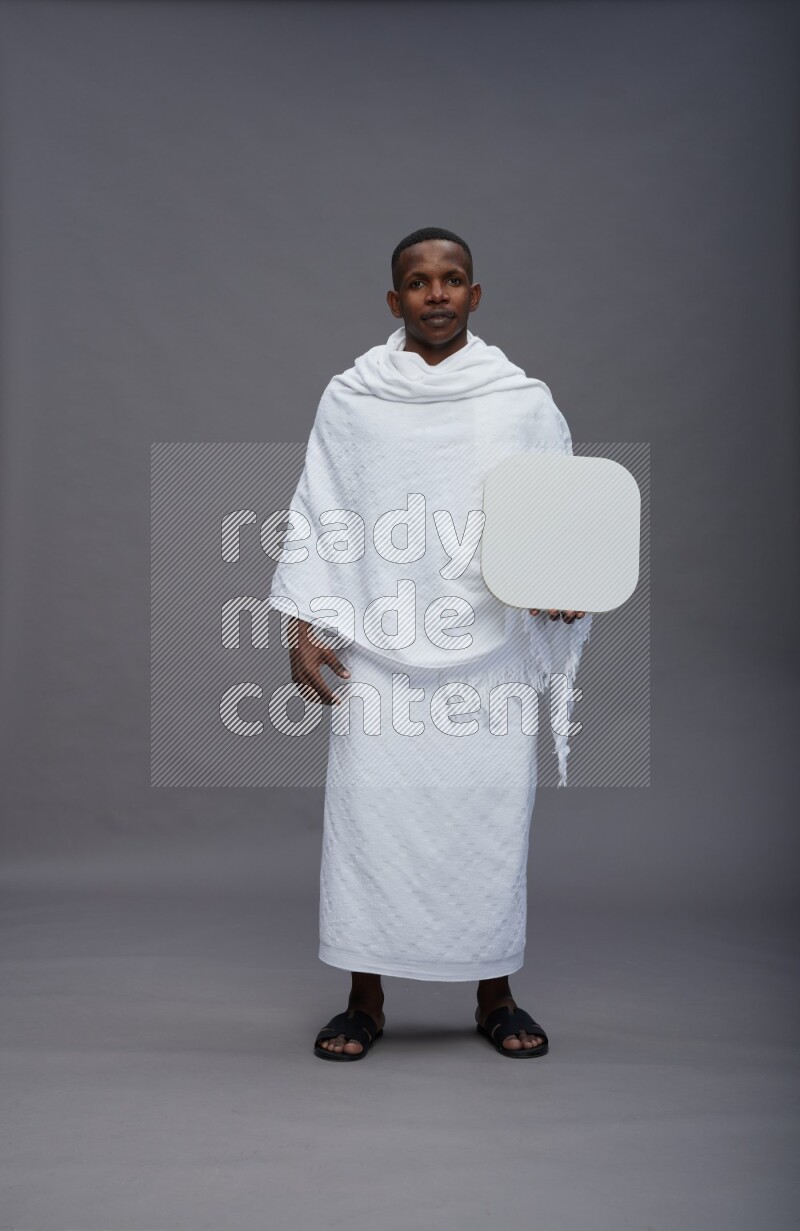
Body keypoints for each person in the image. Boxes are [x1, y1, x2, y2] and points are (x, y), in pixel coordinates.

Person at [268, 227, 592, 1060]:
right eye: (419, 281)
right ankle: (364, 999)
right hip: (379, 645)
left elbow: (559, 505)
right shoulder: (352, 398)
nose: (437, 292)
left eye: (452, 279)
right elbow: (320, 508)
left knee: (490, 819)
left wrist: (565, 583)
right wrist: (303, 625)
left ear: (475, 295)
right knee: (369, 821)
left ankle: (495, 993)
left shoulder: (520, 400)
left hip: (493, 649)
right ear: (395, 299)